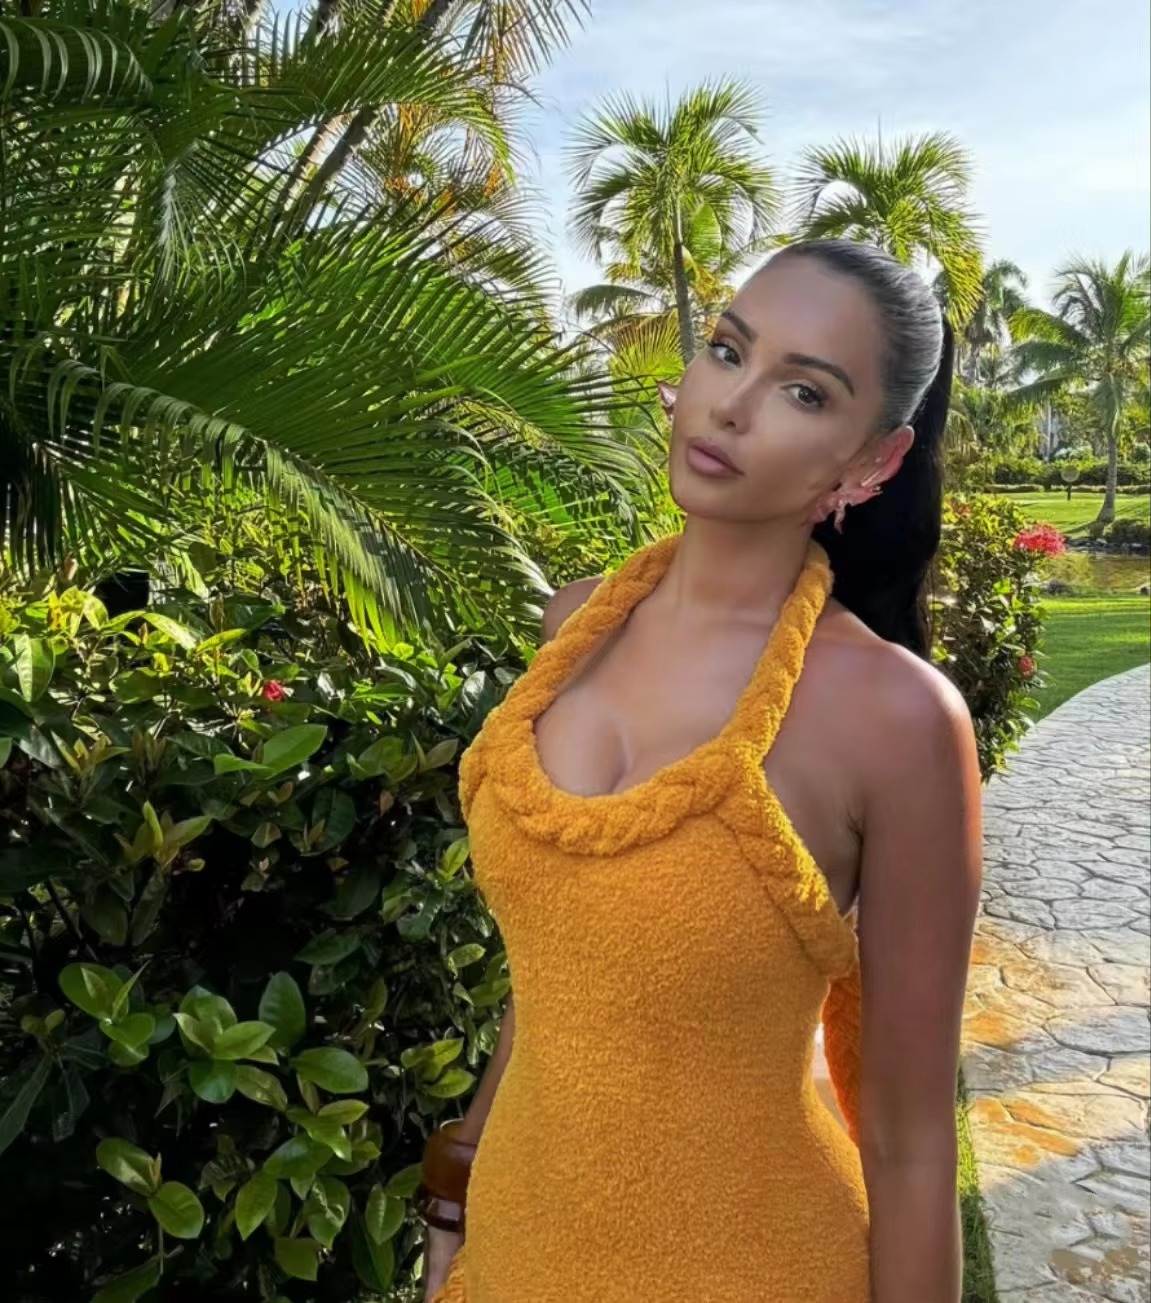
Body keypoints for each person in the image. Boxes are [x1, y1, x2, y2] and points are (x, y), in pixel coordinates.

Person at [416, 239, 984, 1302]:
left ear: (870, 462)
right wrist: (456, 1187)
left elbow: (910, 1145)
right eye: (728, 350)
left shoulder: (896, 720)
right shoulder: (573, 627)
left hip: (761, 1265)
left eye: (803, 391)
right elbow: (561, 974)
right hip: (516, 1254)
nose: (731, 405)